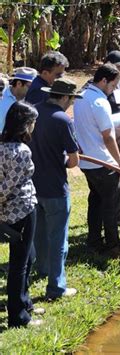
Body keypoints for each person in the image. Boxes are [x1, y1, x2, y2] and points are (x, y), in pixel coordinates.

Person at [29, 78, 81, 300]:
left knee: (39, 235)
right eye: (71, 99)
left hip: (33, 186)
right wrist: (63, 161)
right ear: (65, 98)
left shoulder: (33, 112)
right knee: (58, 239)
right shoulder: (63, 120)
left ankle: (43, 270)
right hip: (56, 188)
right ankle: (56, 287)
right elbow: (73, 160)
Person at [73, 64, 120, 257]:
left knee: (95, 202)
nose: (113, 90)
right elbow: (108, 136)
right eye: (113, 85)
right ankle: (113, 246)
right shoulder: (99, 101)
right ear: (104, 80)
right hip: (103, 163)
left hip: (87, 163)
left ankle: (94, 242)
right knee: (111, 205)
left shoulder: (81, 97)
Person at [0, 101, 42, 327]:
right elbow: (7, 186)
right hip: (22, 210)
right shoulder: (21, 151)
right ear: (25, 125)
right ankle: (18, 316)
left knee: (30, 256)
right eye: (33, 122)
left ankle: (25, 302)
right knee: (19, 264)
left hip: (11, 211)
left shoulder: (1, 145)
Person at [0, 67, 37, 133]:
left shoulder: (29, 102)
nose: (32, 90)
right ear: (19, 84)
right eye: (29, 86)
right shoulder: (1, 93)